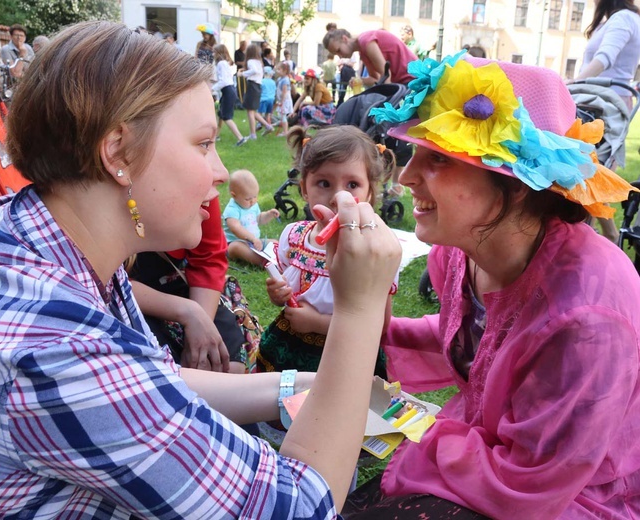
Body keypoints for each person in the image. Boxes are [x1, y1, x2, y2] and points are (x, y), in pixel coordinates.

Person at [0, 20, 403, 517]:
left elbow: (154, 384)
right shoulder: (56, 354)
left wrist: (297, 385)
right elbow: (299, 508)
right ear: (118, 154)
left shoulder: (29, 233)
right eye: (202, 143)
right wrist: (361, 309)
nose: (220, 171)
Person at [343, 52, 640, 518]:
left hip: (568, 495)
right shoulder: (460, 251)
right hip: (491, 454)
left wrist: (421, 434)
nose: (406, 175)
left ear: (518, 186)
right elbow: (477, 340)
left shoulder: (586, 317)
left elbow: (533, 483)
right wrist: (365, 315)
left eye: (438, 158)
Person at [258, 125, 397, 376]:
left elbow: (380, 326)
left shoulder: (375, 251)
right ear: (304, 188)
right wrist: (278, 294)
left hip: (347, 357)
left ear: (369, 193)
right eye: (324, 183)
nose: (337, 197)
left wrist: (318, 323)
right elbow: (289, 291)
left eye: (352, 184)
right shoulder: (293, 236)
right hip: (289, 347)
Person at [128, 197, 245, 374]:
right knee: (164, 369)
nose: (222, 174)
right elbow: (102, 278)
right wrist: (187, 312)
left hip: (181, 286)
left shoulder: (204, 189)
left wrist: (199, 319)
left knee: (226, 361)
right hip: (125, 300)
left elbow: (209, 257)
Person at [574, 0, 640, 243]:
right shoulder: (615, 19)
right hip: (596, 103)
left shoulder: (623, 18)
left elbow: (606, 58)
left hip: (605, 107)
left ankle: (595, 240)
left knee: (584, 174)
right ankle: (608, 237)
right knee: (587, 174)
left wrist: (572, 83)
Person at [324, 28, 418, 196]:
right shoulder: (363, 52)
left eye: (338, 50)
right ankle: (391, 184)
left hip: (411, 84)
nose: (340, 56)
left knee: (400, 135)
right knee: (394, 133)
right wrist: (360, 80)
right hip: (401, 87)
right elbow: (377, 79)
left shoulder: (367, 40)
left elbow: (386, 76)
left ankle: (396, 185)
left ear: (345, 38)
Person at [223, 169, 280, 265]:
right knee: (235, 247)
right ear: (234, 195)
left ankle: (281, 256)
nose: (253, 201)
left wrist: (269, 214)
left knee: (275, 243)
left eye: (255, 196)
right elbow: (236, 228)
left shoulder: (252, 205)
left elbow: (259, 219)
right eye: (248, 199)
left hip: (254, 242)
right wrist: (252, 239)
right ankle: (263, 262)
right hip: (236, 242)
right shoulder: (232, 210)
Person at [212, 43, 248, 146]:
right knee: (221, 115)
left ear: (219, 53)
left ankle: (240, 138)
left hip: (227, 91)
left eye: (214, 51)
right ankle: (216, 136)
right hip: (229, 91)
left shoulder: (221, 64)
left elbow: (223, 82)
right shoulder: (224, 63)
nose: (212, 53)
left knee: (227, 117)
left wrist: (212, 89)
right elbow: (224, 79)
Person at [237, 43, 274, 139]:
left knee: (250, 110)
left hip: (252, 86)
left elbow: (254, 71)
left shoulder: (250, 61)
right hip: (258, 86)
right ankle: (267, 125)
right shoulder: (259, 62)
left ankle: (253, 134)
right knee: (253, 111)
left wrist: (243, 74)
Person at [275, 61, 294, 136]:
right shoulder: (280, 79)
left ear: (285, 71)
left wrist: (282, 102)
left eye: (279, 69)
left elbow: (284, 92)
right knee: (281, 116)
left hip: (285, 101)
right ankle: (284, 130)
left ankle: (285, 131)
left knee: (283, 116)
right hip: (282, 100)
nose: (277, 71)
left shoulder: (285, 80)